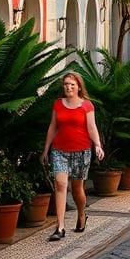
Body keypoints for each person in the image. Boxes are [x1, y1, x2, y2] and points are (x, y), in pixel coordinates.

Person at [41, 72, 104, 241]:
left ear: (79, 87)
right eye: (66, 84)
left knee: (77, 190)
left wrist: (97, 145)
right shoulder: (58, 105)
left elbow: (92, 127)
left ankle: (82, 214)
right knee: (60, 185)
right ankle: (60, 227)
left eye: (72, 84)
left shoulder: (87, 105)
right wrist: (46, 149)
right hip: (59, 151)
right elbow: (53, 127)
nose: (68, 87)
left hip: (81, 151)